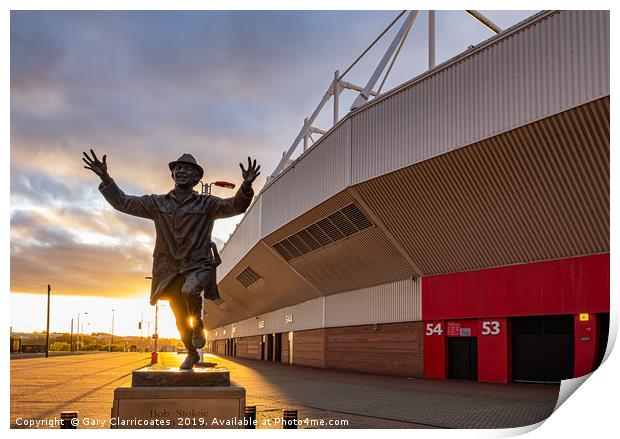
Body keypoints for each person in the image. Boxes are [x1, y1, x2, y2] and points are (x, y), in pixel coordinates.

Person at [82, 149, 260, 369]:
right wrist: (105, 178)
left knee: (190, 289)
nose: (182, 171)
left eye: (187, 169)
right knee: (178, 317)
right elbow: (124, 203)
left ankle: (198, 325)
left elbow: (235, 206)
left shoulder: (207, 204)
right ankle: (192, 353)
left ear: (197, 178)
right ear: (172, 175)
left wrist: (246, 187)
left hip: (199, 264)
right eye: (178, 168)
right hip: (170, 269)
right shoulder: (158, 203)